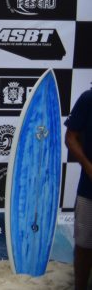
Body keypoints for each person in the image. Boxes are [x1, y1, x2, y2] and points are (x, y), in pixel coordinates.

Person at [65, 87, 92, 290]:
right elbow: (70, 137)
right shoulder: (88, 98)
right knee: (84, 245)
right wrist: (89, 168)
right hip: (89, 189)